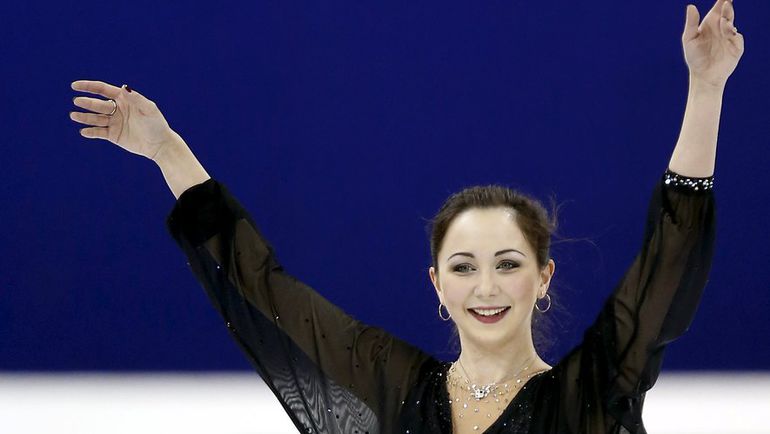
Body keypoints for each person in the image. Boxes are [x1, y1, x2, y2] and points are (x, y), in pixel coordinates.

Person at [68, 1, 743, 432]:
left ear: (543, 277)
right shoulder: (394, 388)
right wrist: (167, 150)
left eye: (508, 263)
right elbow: (263, 289)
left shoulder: (588, 393)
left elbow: (670, 258)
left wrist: (706, 89)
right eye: (464, 266)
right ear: (437, 284)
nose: (485, 286)